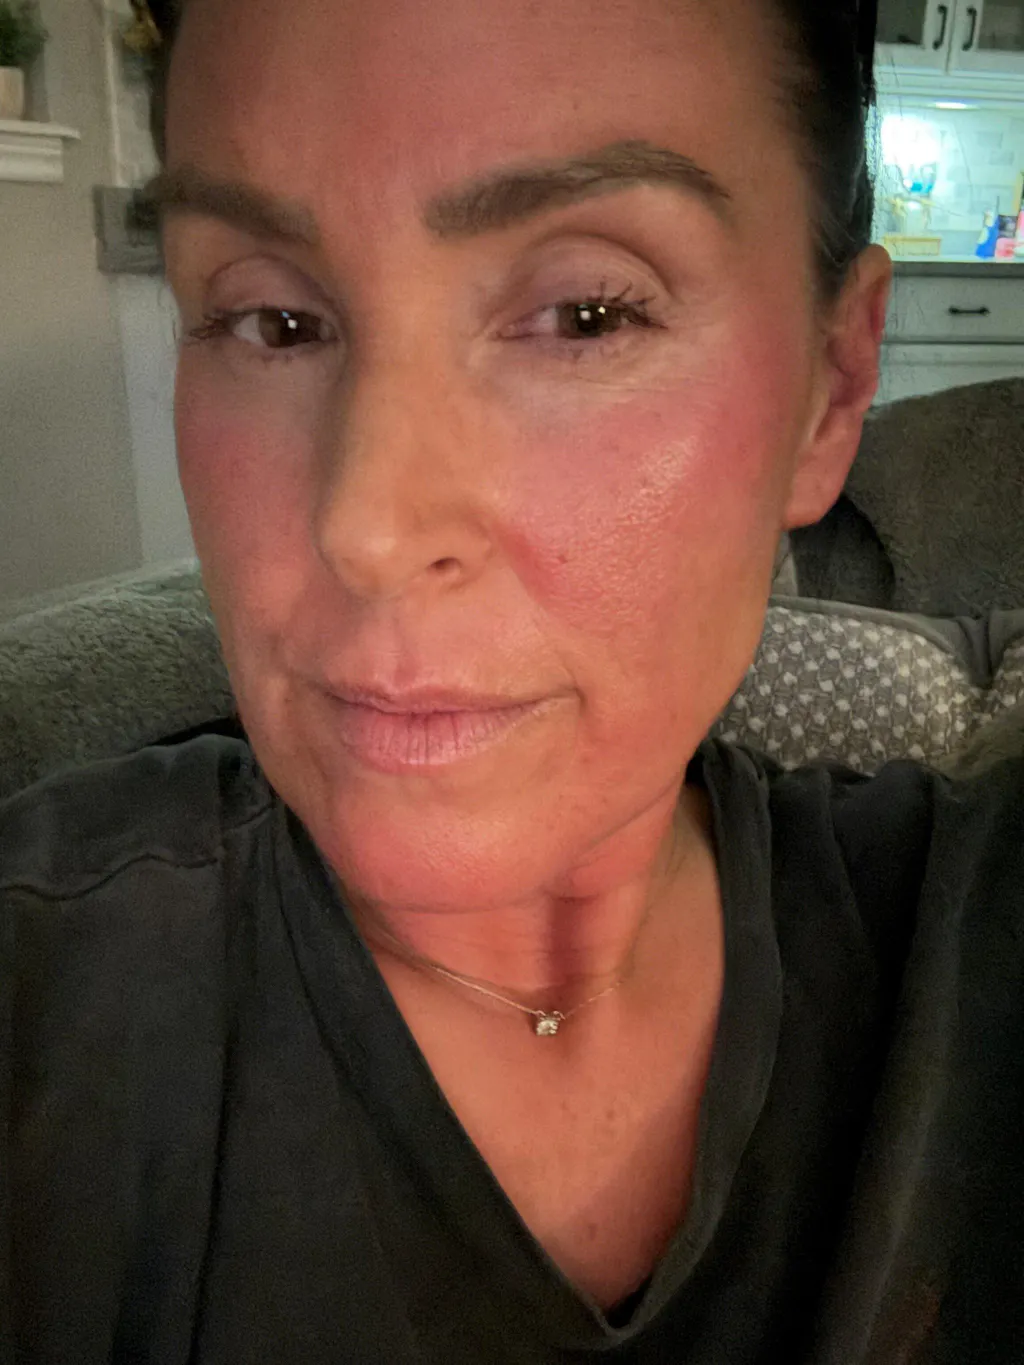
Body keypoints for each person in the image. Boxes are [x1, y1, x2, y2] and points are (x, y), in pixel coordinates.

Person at [1, 0, 1022, 1360]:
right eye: (272, 321)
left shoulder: (970, 954)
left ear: (829, 393)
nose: (365, 525)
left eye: (586, 314)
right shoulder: (45, 1003)